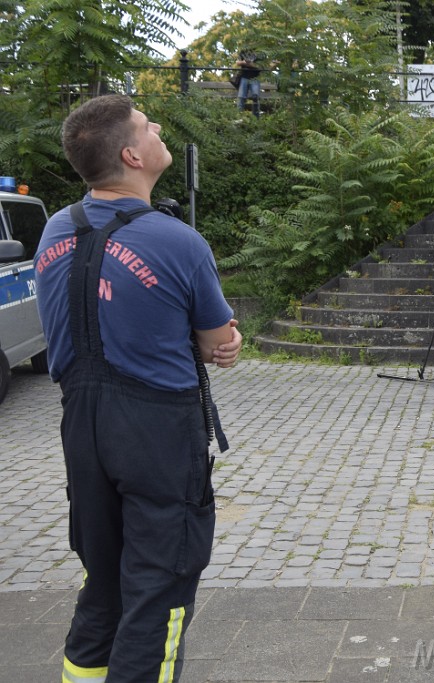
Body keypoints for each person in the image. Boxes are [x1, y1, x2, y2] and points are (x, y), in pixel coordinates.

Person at [34, 95, 242, 682]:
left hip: (81, 425)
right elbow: (215, 342)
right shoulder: (178, 241)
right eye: (149, 126)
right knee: (160, 589)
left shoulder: (56, 228)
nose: (157, 129)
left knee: (104, 578)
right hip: (156, 431)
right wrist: (227, 339)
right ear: (132, 154)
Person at [235, 50, 262, 117]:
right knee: (241, 97)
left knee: (255, 97)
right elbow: (238, 62)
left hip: (255, 78)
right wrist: (246, 63)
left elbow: (261, 67)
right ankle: (239, 117)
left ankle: (256, 118)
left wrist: (249, 64)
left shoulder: (260, 51)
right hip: (244, 77)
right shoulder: (243, 51)